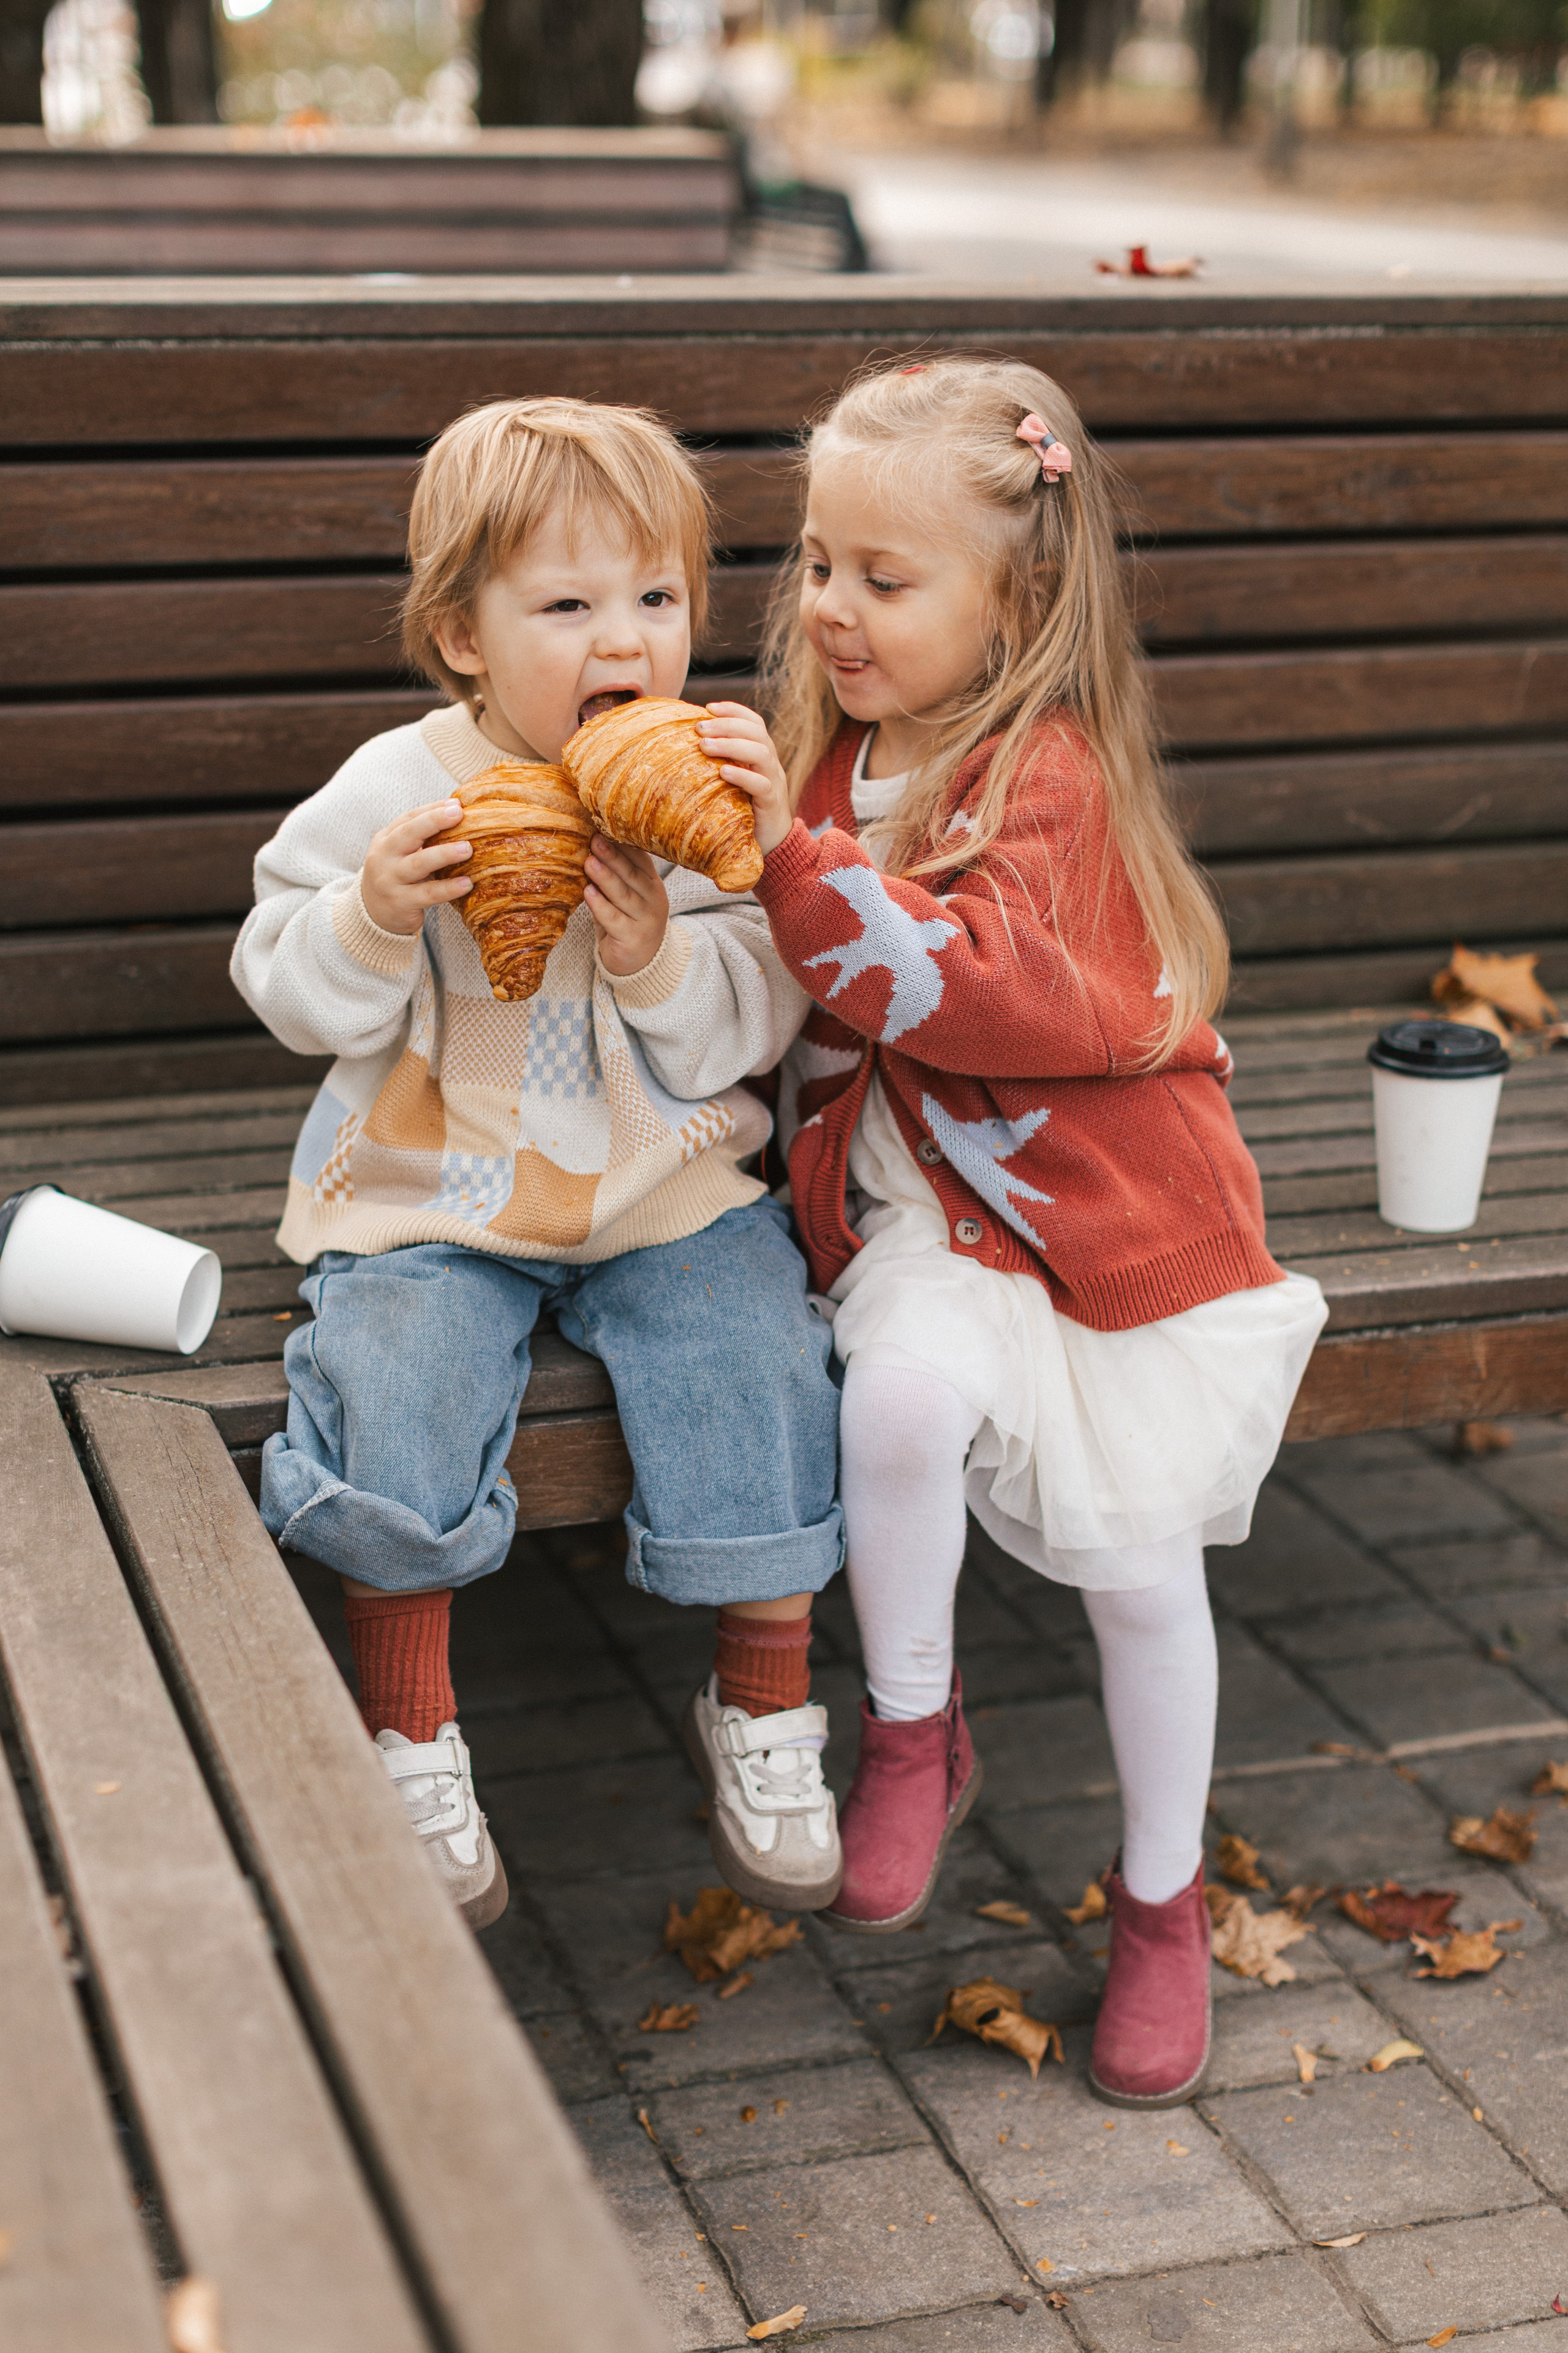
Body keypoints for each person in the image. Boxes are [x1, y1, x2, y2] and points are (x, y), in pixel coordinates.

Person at [695, 356, 1327, 2108]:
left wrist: (789, 872)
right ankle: (912, 1724)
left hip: (1103, 1229)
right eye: (819, 561)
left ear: (1016, 598)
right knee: (891, 1407)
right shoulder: (823, 762)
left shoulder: (1043, 778)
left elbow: (978, 996)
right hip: (929, 1217)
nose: (830, 608)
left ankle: (1160, 1904)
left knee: (1140, 1566)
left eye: (884, 580)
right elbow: (806, 1013)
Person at [231, 398, 845, 1932]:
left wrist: (659, 961)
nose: (619, 638)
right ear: (462, 637)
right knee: (394, 1362)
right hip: (441, 1185)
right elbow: (282, 983)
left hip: (657, 1182)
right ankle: (408, 1726)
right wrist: (370, 914)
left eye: (653, 599)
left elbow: (767, 1000)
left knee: (758, 1344)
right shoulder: (399, 786)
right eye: (564, 605)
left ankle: (763, 1701)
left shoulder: (710, 781)